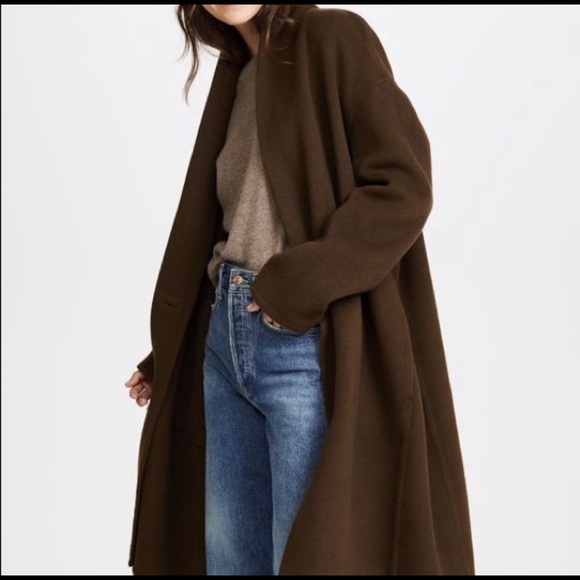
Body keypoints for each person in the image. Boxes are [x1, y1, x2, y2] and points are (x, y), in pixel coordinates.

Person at [125, 4, 475, 576]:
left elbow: (403, 184)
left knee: (310, 555)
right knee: (230, 561)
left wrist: (295, 286)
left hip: (303, 343)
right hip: (223, 347)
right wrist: (169, 351)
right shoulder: (238, 73)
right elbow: (226, 222)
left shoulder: (335, 39)